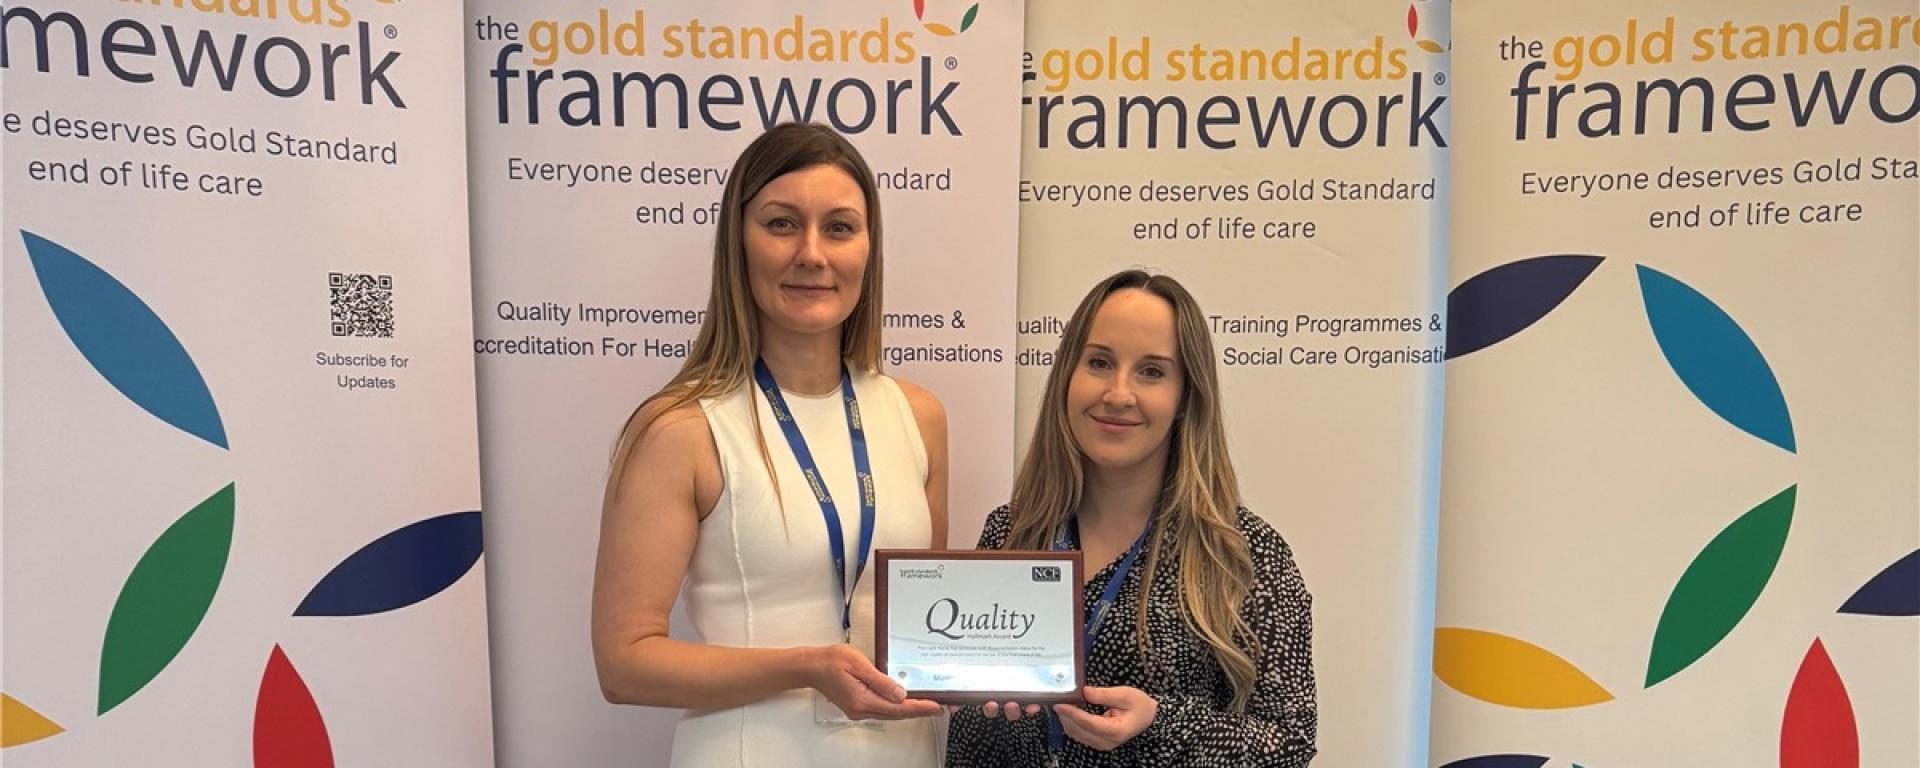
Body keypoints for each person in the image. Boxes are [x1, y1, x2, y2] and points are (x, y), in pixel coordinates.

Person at [592, 123, 947, 767]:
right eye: (782, 224)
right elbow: (624, 665)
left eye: (839, 227)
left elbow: (928, 628)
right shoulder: (681, 428)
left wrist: (1015, 679)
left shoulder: (916, 417)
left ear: (869, 248)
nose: (812, 253)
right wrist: (807, 666)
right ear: (739, 243)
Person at [945, 270, 1316, 767]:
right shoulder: (1012, 532)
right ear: (1067, 378)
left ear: (1187, 397)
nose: (1118, 394)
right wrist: (982, 707)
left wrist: (1159, 724)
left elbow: (1289, 744)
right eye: (1099, 362)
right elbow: (973, 742)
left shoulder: (1243, 552)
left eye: (1152, 372)